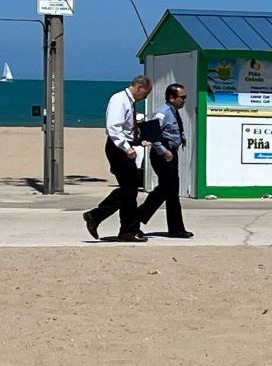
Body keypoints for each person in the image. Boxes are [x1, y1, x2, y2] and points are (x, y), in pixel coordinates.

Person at [83, 75, 152, 242]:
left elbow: (127, 127)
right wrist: (127, 148)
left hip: (125, 146)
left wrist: (137, 141)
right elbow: (114, 128)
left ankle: (128, 229)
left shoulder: (129, 102)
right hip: (117, 148)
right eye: (146, 93)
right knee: (129, 190)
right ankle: (98, 216)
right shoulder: (119, 100)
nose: (145, 97)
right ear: (138, 87)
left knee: (130, 190)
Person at [137, 83, 194, 237]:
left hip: (171, 153)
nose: (184, 100)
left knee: (168, 190)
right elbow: (152, 133)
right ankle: (174, 228)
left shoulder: (173, 112)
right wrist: (164, 151)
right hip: (163, 155)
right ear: (171, 97)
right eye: (182, 97)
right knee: (170, 190)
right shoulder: (162, 113)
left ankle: (139, 217)